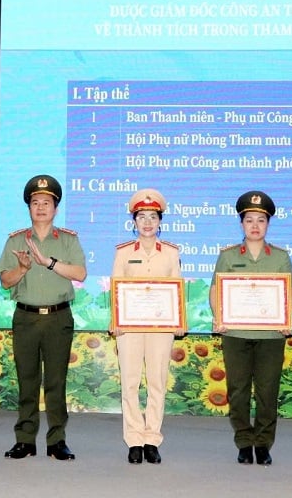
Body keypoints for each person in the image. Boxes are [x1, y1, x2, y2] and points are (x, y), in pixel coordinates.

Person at [0, 174, 87, 461]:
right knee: (27, 380)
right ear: (29, 207)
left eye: (46, 202)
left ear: (55, 208)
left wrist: (48, 263)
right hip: (26, 318)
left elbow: (80, 274)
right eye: (35, 202)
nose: (41, 207)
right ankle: (25, 439)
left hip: (58, 319)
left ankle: (57, 440)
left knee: (57, 382)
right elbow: (6, 282)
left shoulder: (68, 240)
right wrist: (22, 268)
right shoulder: (16, 240)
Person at [208, 191, 292, 466]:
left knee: (268, 391)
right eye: (249, 220)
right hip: (235, 334)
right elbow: (215, 289)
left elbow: (291, 291)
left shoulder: (280, 257)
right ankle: (244, 442)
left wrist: (286, 318)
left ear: (268, 224)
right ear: (242, 224)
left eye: (261, 220)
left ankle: (263, 443)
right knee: (238, 390)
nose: (255, 226)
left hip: (271, 335)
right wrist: (218, 316)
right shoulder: (228, 256)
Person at [110, 188, 183, 465]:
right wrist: (116, 322)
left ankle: (152, 438)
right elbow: (116, 289)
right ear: (134, 221)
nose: (148, 222)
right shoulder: (124, 253)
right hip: (129, 327)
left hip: (161, 328)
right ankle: (134, 440)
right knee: (130, 382)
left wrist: (178, 321)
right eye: (142, 216)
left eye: (153, 216)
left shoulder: (171, 253)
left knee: (157, 382)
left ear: (160, 221)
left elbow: (176, 289)